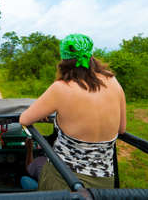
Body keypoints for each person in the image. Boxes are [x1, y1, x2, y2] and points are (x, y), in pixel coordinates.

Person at [19, 34, 126, 190]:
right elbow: (121, 129)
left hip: (63, 178)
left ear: (64, 59)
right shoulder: (113, 81)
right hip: (104, 182)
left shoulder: (61, 88)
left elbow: (24, 120)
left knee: (31, 174)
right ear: (90, 55)